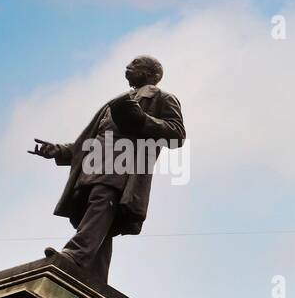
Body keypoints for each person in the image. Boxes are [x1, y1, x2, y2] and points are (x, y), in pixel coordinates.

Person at [31, 55, 185, 285]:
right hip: (94, 164)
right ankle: (94, 278)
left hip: (122, 166)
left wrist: (141, 119)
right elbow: (89, 141)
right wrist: (60, 150)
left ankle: (74, 255)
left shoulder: (162, 98)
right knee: (101, 220)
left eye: (136, 64)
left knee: (101, 203)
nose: (128, 67)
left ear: (152, 74)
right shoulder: (116, 102)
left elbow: (176, 135)